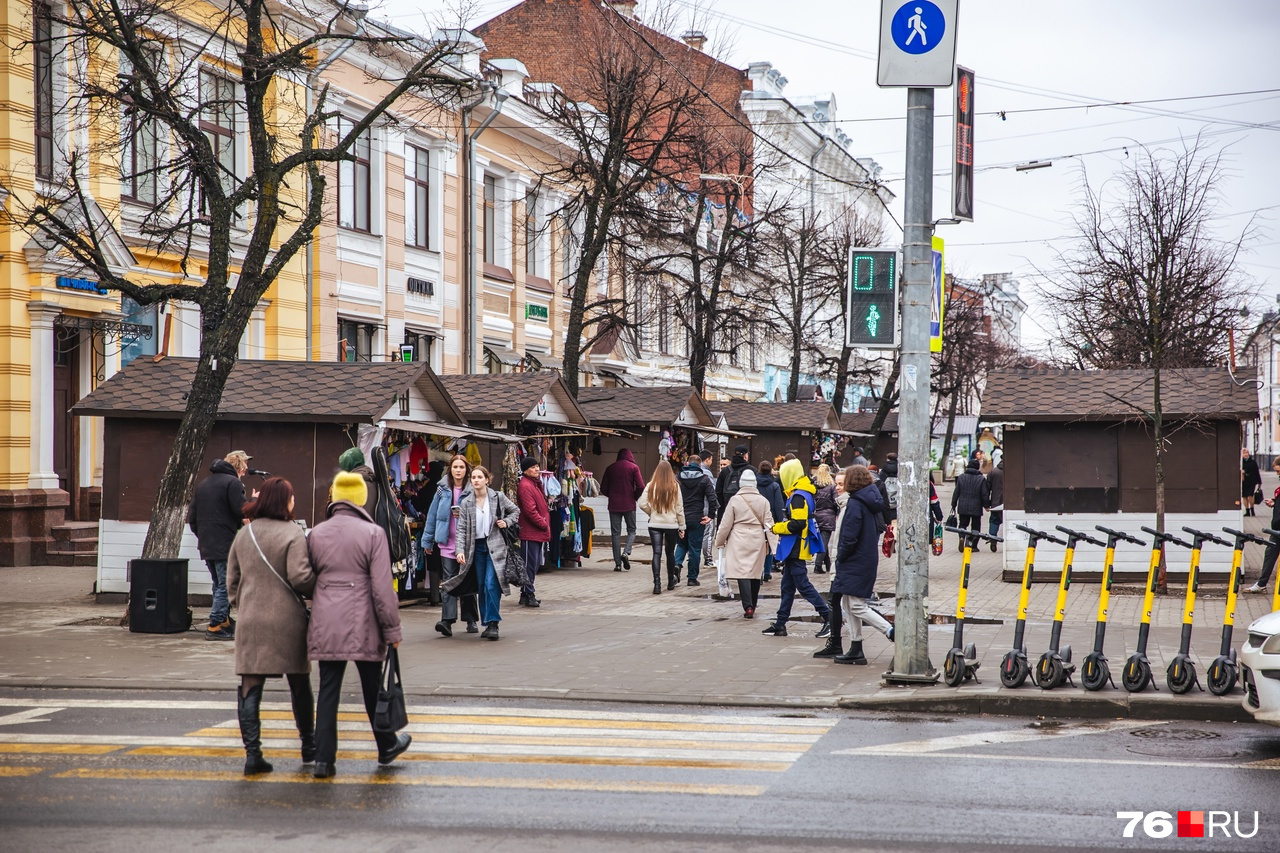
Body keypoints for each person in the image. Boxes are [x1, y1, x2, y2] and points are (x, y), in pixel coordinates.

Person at [307, 471, 411, 779]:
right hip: (364, 620)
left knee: (328, 690)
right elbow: (382, 588)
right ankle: (386, 744)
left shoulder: (317, 533)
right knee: (371, 687)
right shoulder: (373, 533)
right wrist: (392, 630)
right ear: (362, 497)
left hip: (327, 619)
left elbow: (308, 577)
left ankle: (324, 761)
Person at [226, 477, 315, 775]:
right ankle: (309, 748)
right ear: (283, 501)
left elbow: (232, 581)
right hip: (287, 620)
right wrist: (320, 589)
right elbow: (301, 578)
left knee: (250, 686)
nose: (294, 502)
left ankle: (253, 754)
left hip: (251, 621)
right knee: (299, 684)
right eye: (291, 497)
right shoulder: (293, 533)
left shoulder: (244, 534)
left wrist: (245, 604)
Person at [761, 459, 832, 638]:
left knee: (803, 585)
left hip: (795, 546)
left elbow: (797, 524)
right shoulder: (804, 492)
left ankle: (828, 617)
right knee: (787, 586)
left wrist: (776, 528)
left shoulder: (798, 496)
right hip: (797, 545)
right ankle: (780, 623)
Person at [831, 465, 894, 664]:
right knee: (848, 604)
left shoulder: (855, 504)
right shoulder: (868, 500)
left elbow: (849, 536)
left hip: (854, 560)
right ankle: (856, 648)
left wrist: (840, 556)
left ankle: (892, 631)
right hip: (864, 558)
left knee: (856, 605)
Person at [449, 466, 520, 641]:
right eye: (473, 477)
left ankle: (494, 622)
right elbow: (462, 529)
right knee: (481, 586)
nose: (476, 480)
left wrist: (506, 521)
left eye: (480, 477)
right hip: (476, 548)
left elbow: (515, 511)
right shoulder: (466, 502)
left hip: (495, 546)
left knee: (491, 583)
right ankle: (487, 623)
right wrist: (459, 551)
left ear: (487, 479)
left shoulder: (497, 497)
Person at [188, 449, 252, 641]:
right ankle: (215, 625)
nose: (247, 469)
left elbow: (192, 519)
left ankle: (223, 620)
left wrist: (204, 536)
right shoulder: (232, 483)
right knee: (226, 585)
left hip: (207, 544)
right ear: (239, 465)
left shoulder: (204, 484)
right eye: (245, 465)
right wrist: (255, 501)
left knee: (218, 583)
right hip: (225, 543)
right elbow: (241, 510)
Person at [422, 455, 479, 637]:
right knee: (448, 580)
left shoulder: (473, 488)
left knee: (467, 578)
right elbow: (432, 516)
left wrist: (465, 515)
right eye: (455, 467)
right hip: (447, 542)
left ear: (466, 469)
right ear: (450, 469)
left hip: (467, 542)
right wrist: (427, 541)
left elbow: (482, 512)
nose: (458, 470)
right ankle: (447, 620)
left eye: (461, 467)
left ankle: (471, 619)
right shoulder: (442, 489)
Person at [715, 468, 773, 618]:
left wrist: (719, 541)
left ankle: (747, 606)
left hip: (738, 538)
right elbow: (769, 524)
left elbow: (726, 523)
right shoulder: (763, 501)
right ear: (755, 484)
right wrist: (774, 545)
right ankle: (752, 604)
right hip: (757, 538)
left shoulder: (735, 500)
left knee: (742, 572)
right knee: (755, 572)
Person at [638, 460, 686, 594]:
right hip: (671, 524)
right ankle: (671, 581)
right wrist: (682, 526)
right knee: (670, 553)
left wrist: (652, 512)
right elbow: (679, 509)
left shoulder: (651, 485)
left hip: (654, 524)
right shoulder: (675, 487)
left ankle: (657, 584)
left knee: (656, 553)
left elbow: (642, 503)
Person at [600, 448, 645, 571]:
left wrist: (612, 496)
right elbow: (641, 486)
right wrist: (634, 497)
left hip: (614, 505)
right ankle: (626, 552)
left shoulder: (610, 468)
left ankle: (618, 564)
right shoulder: (634, 468)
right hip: (629, 505)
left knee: (615, 533)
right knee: (632, 530)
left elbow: (603, 487)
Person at [675, 454, 717, 586]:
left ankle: (676, 565)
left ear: (687, 463)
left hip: (681, 517)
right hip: (697, 518)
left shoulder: (678, 478)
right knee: (694, 548)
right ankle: (692, 578)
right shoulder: (704, 479)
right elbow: (712, 499)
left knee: (681, 544)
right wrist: (710, 515)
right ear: (700, 465)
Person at [515, 456, 550, 607]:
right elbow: (530, 511)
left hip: (535, 531)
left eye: (537, 466)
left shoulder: (534, 484)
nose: (537, 469)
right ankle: (529, 593)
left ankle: (525, 593)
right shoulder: (526, 485)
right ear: (525, 470)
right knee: (529, 564)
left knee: (533, 564)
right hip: (531, 531)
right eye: (533, 467)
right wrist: (543, 523)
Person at [1247, 459, 1280, 594]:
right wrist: (1274, 502)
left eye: (1278, 470)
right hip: (1276, 528)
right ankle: (1261, 583)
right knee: (1270, 554)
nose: (1277, 474)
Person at [950, 456, 990, 552]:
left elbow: (956, 492)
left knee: (963, 524)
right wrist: (986, 505)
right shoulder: (981, 479)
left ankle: (962, 537)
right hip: (976, 506)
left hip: (963, 505)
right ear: (977, 468)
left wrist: (953, 504)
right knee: (975, 526)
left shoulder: (961, 477)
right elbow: (984, 494)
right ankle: (973, 545)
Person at [756, 461, 786, 582]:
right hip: (770, 518)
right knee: (768, 545)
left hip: (756, 518)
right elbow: (779, 504)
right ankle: (767, 571)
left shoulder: (754, 484)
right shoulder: (774, 485)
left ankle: (758, 571)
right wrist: (780, 521)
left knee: (757, 545)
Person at [811, 464, 839, 575]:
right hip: (828, 515)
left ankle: (827, 563)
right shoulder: (832, 487)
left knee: (824, 540)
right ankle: (818, 565)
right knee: (824, 540)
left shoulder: (813, 486)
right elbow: (836, 501)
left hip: (815, 514)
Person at [715, 446, 752, 523]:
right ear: (745, 456)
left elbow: (718, 492)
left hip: (725, 511)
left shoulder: (724, 472)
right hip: (745, 513)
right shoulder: (751, 470)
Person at [698, 451, 718, 572]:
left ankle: (691, 558)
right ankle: (708, 559)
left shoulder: (694, 472)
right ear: (707, 460)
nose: (711, 462)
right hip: (706, 508)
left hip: (694, 509)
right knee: (708, 534)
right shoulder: (707, 474)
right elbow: (712, 492)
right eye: (711, 459)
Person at [986, 459, 1005, 550]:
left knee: (994, 521)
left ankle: (993, 539)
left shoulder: (993, 471)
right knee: (1009, 522)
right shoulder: (1013, 470)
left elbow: (987, 488)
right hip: (1010, 502)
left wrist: (986, 503)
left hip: (995, 502)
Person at [1242, 448, 1262, 517]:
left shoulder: (1253, 462)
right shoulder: (1241, 463)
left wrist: (1259, 482)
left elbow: (1257, 472)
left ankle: (1252, 509)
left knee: (1250, 496)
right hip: (1243, 481)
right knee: (1244, 496)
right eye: (1244, 453)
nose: (1245, 454)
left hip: (1251, 481)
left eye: (1246, 453)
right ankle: (1247, 510)